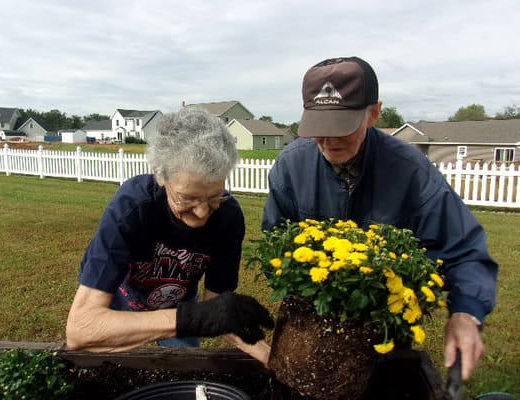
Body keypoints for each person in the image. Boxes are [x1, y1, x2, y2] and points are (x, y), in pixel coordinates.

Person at [262, 56, 498, 380]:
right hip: (311, 328)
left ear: (374, 113)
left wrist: (465, 313)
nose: (328, 141)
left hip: (384, 332)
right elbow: (276, 243)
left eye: (340, 128)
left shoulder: (411, 172)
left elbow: (464, 250)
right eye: (319, 128)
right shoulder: (290, 168)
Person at [66, 107, 273, 365]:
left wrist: (269, 357)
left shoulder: (228, 218)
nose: (201, 213)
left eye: (214, 197)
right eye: (187, 198)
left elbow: (216, 305)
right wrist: (190, 319)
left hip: (181, 303)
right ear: (161, 177)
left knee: (185, 372)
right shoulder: (132, 208)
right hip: (121, 305)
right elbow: (81, 329)